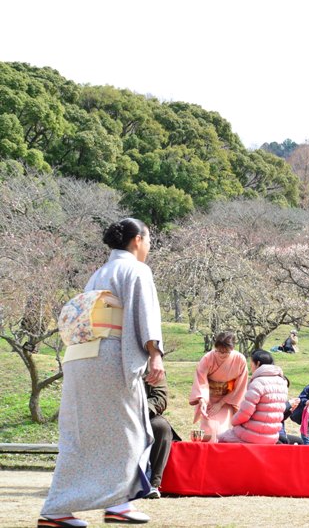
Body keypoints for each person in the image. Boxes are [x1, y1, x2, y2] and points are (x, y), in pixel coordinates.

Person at [40, 218, 164, 527]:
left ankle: (70, 508)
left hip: (80, 357)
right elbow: (144, 315)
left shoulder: (98, 274)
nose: (149, 246)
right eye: (148, 240)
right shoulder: (136, 269)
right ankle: (116, 504)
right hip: (111, 355)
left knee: (82, 435)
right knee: (131, 430)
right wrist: (155, 355)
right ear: (137, 240)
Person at [218, 349, 289, 444]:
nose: (250, 366)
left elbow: (245, 412)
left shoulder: (258, 383)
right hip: (272, 435)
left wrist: (233, 421)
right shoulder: (282, 382)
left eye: (251, 363)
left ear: (258, 363)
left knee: (221, 438)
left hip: (252, 435)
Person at [189, 331, 249, 441]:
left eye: (225, 352)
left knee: (222, 431)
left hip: (227, 399)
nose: (221, 354)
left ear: (232, 348)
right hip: (209, 398)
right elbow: (201, 381)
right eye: (218, 351)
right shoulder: (208, 358)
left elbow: (240, 386)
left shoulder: (240, 360)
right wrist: (202, 400)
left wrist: (221, 403)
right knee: (208, 429)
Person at [145, 371, 180, 499]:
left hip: (145, 414)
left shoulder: (152, 366)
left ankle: (152, 483)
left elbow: (160, 397)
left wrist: (141, 411)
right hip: (116, 415)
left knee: (161, 427)